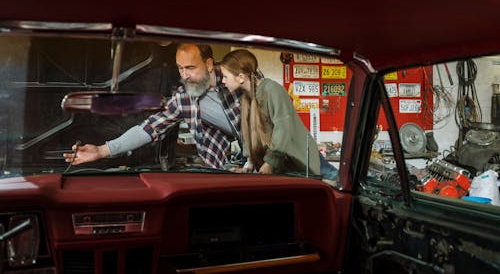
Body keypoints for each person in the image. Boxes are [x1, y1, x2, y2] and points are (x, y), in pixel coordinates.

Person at [63, 43, 241, 169]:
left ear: (209, 64)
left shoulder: (239, 75)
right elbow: (148, 128)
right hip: (224, 170)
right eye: (180, 68)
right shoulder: (183, 98)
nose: (184, 75)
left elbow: (266, 118)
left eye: (190, 67)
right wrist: (102, 150)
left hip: (263, 163)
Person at [220, 49, 338, 178]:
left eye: (225, 76)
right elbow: (249, 134)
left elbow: (283, 129)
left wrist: (270, 163)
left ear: (241, 77)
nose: (223, 81)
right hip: (284, 165)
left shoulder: (271, 89)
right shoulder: (245, 98)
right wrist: (249, 164)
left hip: (303, 160)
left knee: (339, 185)